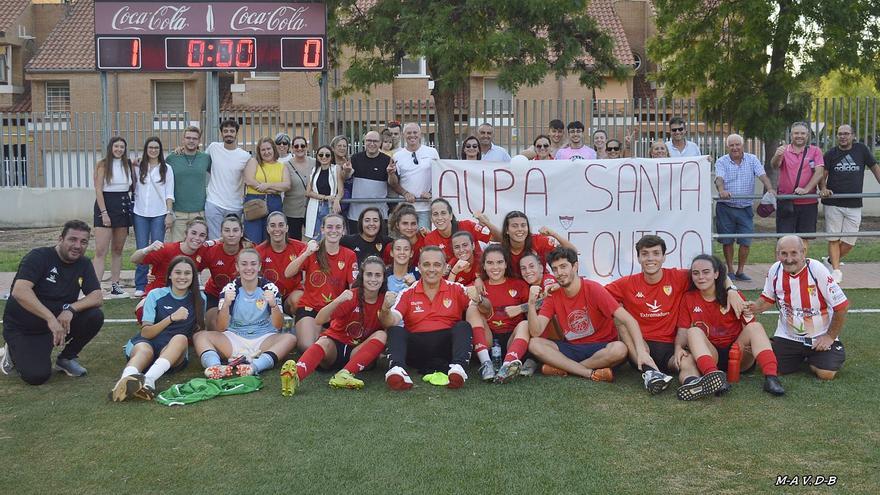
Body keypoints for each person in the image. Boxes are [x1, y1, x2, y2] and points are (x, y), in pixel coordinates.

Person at [605, 235, 744, 396]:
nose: (650, 258)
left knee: (687, 362)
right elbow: (599, 296)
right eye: (645, 254)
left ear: (664, 257)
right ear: (638, 258)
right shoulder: (626, 283)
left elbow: (713, 272)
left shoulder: (678, 277)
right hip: (641, 346)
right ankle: (650, 373)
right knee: (622, 321)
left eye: (656, 253)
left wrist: (731, 289)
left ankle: (692, 384)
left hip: (670, 346)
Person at [0, 220, 104, 384]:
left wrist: (70, 309)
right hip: (24, 328)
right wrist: (50, 318)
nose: (78, 246)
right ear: (60, 239)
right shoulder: (39, 257)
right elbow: (20, 291)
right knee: (36, 376)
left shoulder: (83, 263)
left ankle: (66, 359)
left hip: (56, 325)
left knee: (95, 316)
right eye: (72, 239)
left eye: (83, 242)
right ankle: (11, 351)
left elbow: (97, 297)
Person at [677, 255, 785, 399]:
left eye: (706, 272)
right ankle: (713, 378)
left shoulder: (733, 295)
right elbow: (683, 330)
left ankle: (771, 378)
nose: (701, 277)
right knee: (693, 331)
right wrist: (678, 347)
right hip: (711, 353)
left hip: (737, 353)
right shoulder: (689, 298)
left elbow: (750, 322)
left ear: (716, 274)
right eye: (696, 273)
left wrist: (750, 339)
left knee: (755, 327)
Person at [380, 246, 486, 390]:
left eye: (437, 265)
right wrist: (385, 309)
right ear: (419, 267)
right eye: (426, 264)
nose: (431, 269)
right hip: (417, 350)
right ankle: (397, 370)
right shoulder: (406, 293)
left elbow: (486, 309)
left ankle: (458, 369)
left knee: (463, 326)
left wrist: (479, 299)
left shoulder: (456, 288)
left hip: (447, 349)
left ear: (445, 268)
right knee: (395, 330)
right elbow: (390, 321)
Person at [283, 257, 393, 393]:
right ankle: (294, 377)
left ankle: (345, 374)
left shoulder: (385, 300)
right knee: (323, 341)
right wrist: (338, 300)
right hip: (334, 348)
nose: (373, 279)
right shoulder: (351, 296)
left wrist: (387, 308)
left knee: (382, 334)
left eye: (378, 275)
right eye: (369, 274)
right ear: (362, 276)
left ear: (383, 278)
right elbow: (319, 320)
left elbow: (390, 325)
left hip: (358, 352)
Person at [747, 235, 848, 380]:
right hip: (788, 336)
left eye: (794, 253)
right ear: (777, 254)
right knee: (770, 368)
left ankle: (814, 358)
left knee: (826, 374)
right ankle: (786, 351)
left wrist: (829, 336)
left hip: (819, 337)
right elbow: (768, 299)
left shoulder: (817, 270)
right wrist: (754, 306)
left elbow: (842, 306)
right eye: (784, 254)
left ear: (803, 252)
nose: (789, 259)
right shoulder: (775, 270)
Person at [526, 247, 630, 381]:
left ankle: (565, 368)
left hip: (600, 347)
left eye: (563, 266)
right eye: (555, 269)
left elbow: (625, 319)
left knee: (620, 349)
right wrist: (531, 304)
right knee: (534, 344)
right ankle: (589, 373)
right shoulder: (553, 295)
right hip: (573, 347)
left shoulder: (593, 288)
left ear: (575, 266)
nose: (559, 272)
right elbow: (536, 331)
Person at [110, 256, 206, 401]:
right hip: (148, 341)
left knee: (180, 338)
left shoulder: (200, 299)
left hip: (172, 350)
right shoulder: (155, 295)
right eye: (177, 272)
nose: (182, 277)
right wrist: (171, 318)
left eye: (187, 273)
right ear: (170, 275)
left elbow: (200, 331)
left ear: (193, 276)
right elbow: (146, 333)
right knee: (144, 350)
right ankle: (124, 382)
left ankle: (148, 380)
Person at [194, 249, 297, 378]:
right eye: (244, 264)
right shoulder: (230, 289)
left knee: (290, 339)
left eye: (253, 264)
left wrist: (273, 305)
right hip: (234, 338)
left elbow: (278, 325)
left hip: (263, 338)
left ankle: (254, 366)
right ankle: (215, 367)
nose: (249, 268)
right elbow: (221, 327)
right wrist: (226, 304)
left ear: (259, 266)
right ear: (237, 266)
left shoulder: (270, 288)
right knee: (200, 337)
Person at [285, 214, 358, 352]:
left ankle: (321, 331)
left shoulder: (349, 255)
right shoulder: (313, 250)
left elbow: (353, 287)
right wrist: (306, 253)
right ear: (322, 229)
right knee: (306, 347)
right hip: (310, 307)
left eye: (338, 227)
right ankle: (313, 330)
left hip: (334, 310)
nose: (333, 230)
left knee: (331, 349)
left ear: (343, 231)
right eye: (329, 227)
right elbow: (288, 273)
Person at [820, 124, 880, 283]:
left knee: (849, 242)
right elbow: (822, 175)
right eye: (840, 134)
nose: (843, 136)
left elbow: (875, 168)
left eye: (846, 133)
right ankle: (836, 271)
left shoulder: (861, 149)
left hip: (854, 203)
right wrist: (823, 188)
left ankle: (830, 262)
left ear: (853, 135)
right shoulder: (831, 154)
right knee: (833, 238)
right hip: (833, 203)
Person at [714, 133, 776, 281]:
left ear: (743, 145)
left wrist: (769, 189)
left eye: (737, 144)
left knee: (745, 241)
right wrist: (721, 191)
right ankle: (730, 270)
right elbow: (719, 179)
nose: (735, 148)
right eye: (731, 145)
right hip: (726, 207)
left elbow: (762, 175)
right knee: (727, 241)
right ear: (727, 147)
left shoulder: (752, 159)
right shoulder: (722, 161)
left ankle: (740, 271)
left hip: (745, 208)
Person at [466, 245, 531, 382]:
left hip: (512, 341)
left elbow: (537, 306)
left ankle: (508, 365)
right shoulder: (477, 286)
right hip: (488, 340)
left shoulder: (519, 284)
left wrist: (520, 308)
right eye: (490, 263)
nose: (495, 267)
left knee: (525, 324)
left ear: (506, 264)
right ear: (483, 266)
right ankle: (486, 364)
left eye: (500, 262)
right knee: (472, 308)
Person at [130, 217, 209, 321]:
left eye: (202, 235)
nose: (197, 238)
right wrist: (147, 249)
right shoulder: (167, 249)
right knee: (142, 311)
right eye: (193, 233)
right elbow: (134, 259)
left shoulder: (203, 251)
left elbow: (222, 242)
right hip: (158, 294)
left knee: (200, 301)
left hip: (181, 296)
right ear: (186, 233)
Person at [132, 136, 175, 297]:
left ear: (160, 150)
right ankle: (141, 284)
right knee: (142, 247)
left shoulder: (167, 169)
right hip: (140, 213)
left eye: (156, 148)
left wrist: (169, 213)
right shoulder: (139, 167)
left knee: (157, 250)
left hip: (159, 213)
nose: (153, 150)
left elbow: (169, 193)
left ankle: (157, 282)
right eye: (150, 147)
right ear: (146, 149)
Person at [770, 122, 825, 244]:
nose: (799, 136)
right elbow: (774, 166)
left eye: (802, 133)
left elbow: (819, 173)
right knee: (783, 239)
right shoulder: (784, 150)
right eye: (796, 133)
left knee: (803, 239)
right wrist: (777, 156)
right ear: (791, 135)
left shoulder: (815, 151)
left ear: (808, 135)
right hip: (786, 201)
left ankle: (801, 263)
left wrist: (806, 189)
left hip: (808, 202)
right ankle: (781, 263)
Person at [92, 136, 133, 298]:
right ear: (110, 148)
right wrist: (104, 213)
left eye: (122, 147)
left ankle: (115, 286)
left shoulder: (128, 164)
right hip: (106, 206)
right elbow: (98, 190)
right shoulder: (102, 164)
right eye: (116, 146)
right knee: (101, 250)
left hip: (123, 205)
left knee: (117, 249)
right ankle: (94, 288)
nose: (119, 149)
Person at [205, 119, 252, 239]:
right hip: (214, 203)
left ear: (236, 133)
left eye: (232, 131)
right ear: (221, 133)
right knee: (215, 240)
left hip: (235, 205)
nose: (229, 133)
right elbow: (202, 163)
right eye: (225, 131)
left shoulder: (245, 156)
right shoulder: (213, 148)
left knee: (233, 240)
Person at [202, 215, 249, 332]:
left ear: (242, 232)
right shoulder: (211, 252)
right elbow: (192, 268)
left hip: (242, 296)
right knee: (215, 325)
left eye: (235, 230)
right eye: (227, 230)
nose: (231, 234)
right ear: (221, 233)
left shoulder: (250, 250)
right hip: (215, 295)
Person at [388, 122, 439, 228]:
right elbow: (393, 183)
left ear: (420, 134)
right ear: (404, 135)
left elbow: (439, 176)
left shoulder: (432, 152)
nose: (412, 135)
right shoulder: (397, 156)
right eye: (409, 133)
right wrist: (405, 193)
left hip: (426, 207)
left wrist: (431, 192)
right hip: (405, 207)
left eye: (415, 132)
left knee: (424, 240)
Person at [255, 211, 306, 315]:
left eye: (281, 225)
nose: (277, 229)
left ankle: (296, 327)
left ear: (287, 228)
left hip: (291, 294)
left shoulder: (300, 248)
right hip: (268, 296)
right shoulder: (258, 251)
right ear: (268, 229)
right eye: (273, 225)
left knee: (298, 300)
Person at [499, 210, 576, 278]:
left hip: (542, 285)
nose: (520, 229)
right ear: (507, 230)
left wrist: (554, 234)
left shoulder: (538, 241)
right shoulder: (501, 249)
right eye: (515, 226)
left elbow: (572, 252)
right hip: (516, 289)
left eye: (523, 225)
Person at [166, 126, 210, 242]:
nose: (191, 141)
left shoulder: (205, 158)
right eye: (188, 138)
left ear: (199, 141)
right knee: (178, 248)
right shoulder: (172, 158)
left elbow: (219, 175)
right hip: (179, 213)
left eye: (194, 138)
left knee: (197, 247)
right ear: (183, 139)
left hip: (199, 212)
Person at [243, 137, 290, 244]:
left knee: (271, 238)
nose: (266, 152)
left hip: (274, 202)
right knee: (252, 239)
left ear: (274, 149)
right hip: (254, 203)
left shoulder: (282, 166)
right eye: (263, 150)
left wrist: (267, 186)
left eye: (268, 149)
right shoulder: (254, 162)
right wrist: (273, 189)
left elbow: (287, 185)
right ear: (259, 152)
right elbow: (249, 180)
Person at [347, 130, 391, 234]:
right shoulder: (355, 158)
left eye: (375, 141)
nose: (372, 144)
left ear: (380, 142)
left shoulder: (387, 160)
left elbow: (392, 183)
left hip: (379, 214)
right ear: (364, 142)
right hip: (356, 214)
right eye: (369, 140)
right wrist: (346, 172)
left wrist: (391, 174)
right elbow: (345, 177)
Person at [423, 198, 496, 260]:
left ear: (451, 215)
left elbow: (501, 238)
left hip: (478, 273)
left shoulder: (468, 226)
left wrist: (487, 223)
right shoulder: (430, 239)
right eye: (435, 214)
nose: (439, 218)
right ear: (431, 219)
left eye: (443, 213)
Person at [304, 145, 343, 241]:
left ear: (331, 157)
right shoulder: (314, 170)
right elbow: (308, 192)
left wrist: (337, 200)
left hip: (330, 206)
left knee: (330, 235)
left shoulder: (336, 169)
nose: (324, 157)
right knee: (315, 237)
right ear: (317, 157)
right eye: (321, 155)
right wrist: (324, 197)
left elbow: (341, 190)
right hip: (315, 207)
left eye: (327, 155)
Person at [282, 135, 314, 241]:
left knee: (313, 239)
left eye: (302, 145)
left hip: (311, 208)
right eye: (296, 146)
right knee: (293, 241)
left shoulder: (314, 162)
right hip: (292, 209)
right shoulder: (286, 165)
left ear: (307, 147)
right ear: (292, 148)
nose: (299, 148)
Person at [330, 135, 354, 218]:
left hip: (349, 203)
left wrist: (347, 171)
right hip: (333, 202)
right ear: (333, 148)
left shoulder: (350, 162)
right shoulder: (328, 164)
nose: (342, 148)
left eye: (344, 146)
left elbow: (346, 176)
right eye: (339, 145)